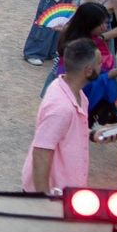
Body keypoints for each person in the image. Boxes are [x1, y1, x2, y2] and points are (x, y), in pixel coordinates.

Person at [22, 38, 103, 196]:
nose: (103, 66)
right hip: (55, 193)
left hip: (65, 189)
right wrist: (42, 199)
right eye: (99, 63)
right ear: (88, 70)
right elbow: (41, 152)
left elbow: (68, 131)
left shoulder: (71, 91)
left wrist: (93, 134)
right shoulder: (62, 108)